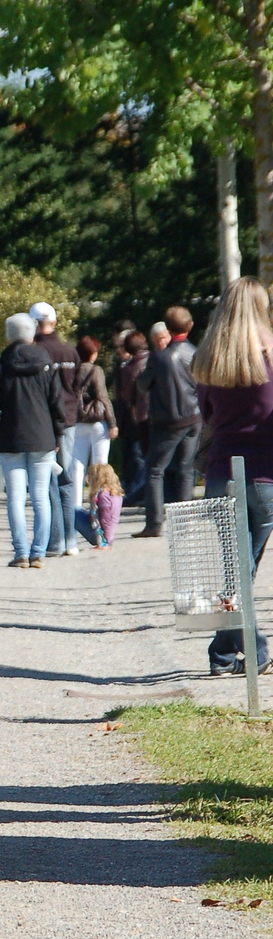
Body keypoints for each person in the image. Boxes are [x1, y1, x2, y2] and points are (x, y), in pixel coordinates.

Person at [192, 277, 273, 676]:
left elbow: (207, 416)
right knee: (242, 571)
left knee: (235, 569)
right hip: (264, 476)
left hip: (221, 471)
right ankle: (253, 652)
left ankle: (223, 653)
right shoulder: (270, 357)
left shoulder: (210, 359)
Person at [0, 312, 67, 568]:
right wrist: (57, 434)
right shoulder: (46, 364)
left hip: (9, 439)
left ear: (9, 335)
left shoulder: (0, 366)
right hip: (43, 438)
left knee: (15, 498)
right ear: (32, 333)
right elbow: (56, 402)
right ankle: (38, 552)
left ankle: (20, 552)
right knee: (40, 497)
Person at [135, 306, 199, 538]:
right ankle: (184, 522)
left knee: (154, 470)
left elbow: (142, 385)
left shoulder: (159, 358)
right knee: (185, 469)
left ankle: (154, 523)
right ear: (190, 326)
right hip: (194, 417)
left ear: (168, 328)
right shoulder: (195, 353)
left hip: (168, 421)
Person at [28, 301, 81, 556]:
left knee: (48, 481)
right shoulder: (70, 351)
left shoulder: (35, 352)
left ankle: (55, 540)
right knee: (66, 480)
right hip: (69, 420)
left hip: (45, 423)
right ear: (55, 322)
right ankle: (71, 540)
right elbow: (78, 386)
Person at [72, 335, 119, 510]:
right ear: (93, 354)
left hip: (77, 422)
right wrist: (112, 423)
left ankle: (75, 506)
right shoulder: (96, 370)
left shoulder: (72, 370)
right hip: (97, 422)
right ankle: (97, 505)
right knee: (99, 465)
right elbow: (102, 397)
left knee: (77, 465)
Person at [115, 329, 150, 504]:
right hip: (152, 416)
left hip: (138, 417)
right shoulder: (153, 360)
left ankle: (137, 492)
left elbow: (127, 395)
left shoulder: (130, 368)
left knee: (138, 456)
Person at [75, 462, 124, 549]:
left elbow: (105, 520)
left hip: (98, 535)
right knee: (77, 509)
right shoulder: (115, 493)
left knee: (71, 512)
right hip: (103, 532)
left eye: (91, 476)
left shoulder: (103, 496)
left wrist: (105, 542)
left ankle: (67, 542)